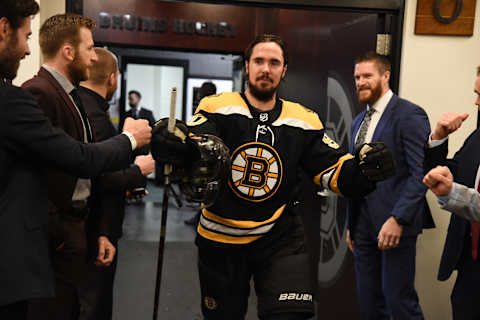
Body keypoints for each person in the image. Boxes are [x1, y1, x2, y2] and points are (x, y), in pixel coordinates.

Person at [152, 34, 395, 320]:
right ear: (247, 66)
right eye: (259, 61)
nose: (266, 69)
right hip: (221, 238)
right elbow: (193, 143)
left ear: (284, 70)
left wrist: (364, 170)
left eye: (274, 62)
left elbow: (334, 171)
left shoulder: (303, 120)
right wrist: (170, 141)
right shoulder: (217, 107)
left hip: (280, 238)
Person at [0, 1, 151, 319]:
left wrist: (97, 230)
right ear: (69, 52)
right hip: (50, 238)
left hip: (71, 232)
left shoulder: (69, 95)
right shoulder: (37, 93)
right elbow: (75, 159)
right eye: (91, 48)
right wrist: (131, 141)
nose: (95, 57)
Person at [346, 52, 432, 319]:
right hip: (362, 226)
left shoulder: (409, 114)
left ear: (385, 76)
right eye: (357, 77)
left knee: (399, 303)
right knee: (369, 304)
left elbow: (421, 173)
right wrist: (351, 223)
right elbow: (354, 176)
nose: (361, 82)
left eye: (367, 76)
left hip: (395, 224)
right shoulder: (358, 122)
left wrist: (398, 218)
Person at [75, 47, 155, 320]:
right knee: (93, 307)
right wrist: (138, 169)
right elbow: (100, 177)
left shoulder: (83, 108)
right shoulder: (93, 117)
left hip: (92, 229)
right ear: (113, 78)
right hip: (93, 231)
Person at [424, 66, 480, 320]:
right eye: (476, 93)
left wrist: (453, 194)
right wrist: (438, 137)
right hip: (470, 266)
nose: (477, 102)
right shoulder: (478, 137)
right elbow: (450, 171)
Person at [184, 81, 217, 226]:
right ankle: (200, 215)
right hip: (202, 153)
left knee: (209, 187)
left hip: (210, 155)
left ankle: (202, 216)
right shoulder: (204, 109)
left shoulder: (214, 109)